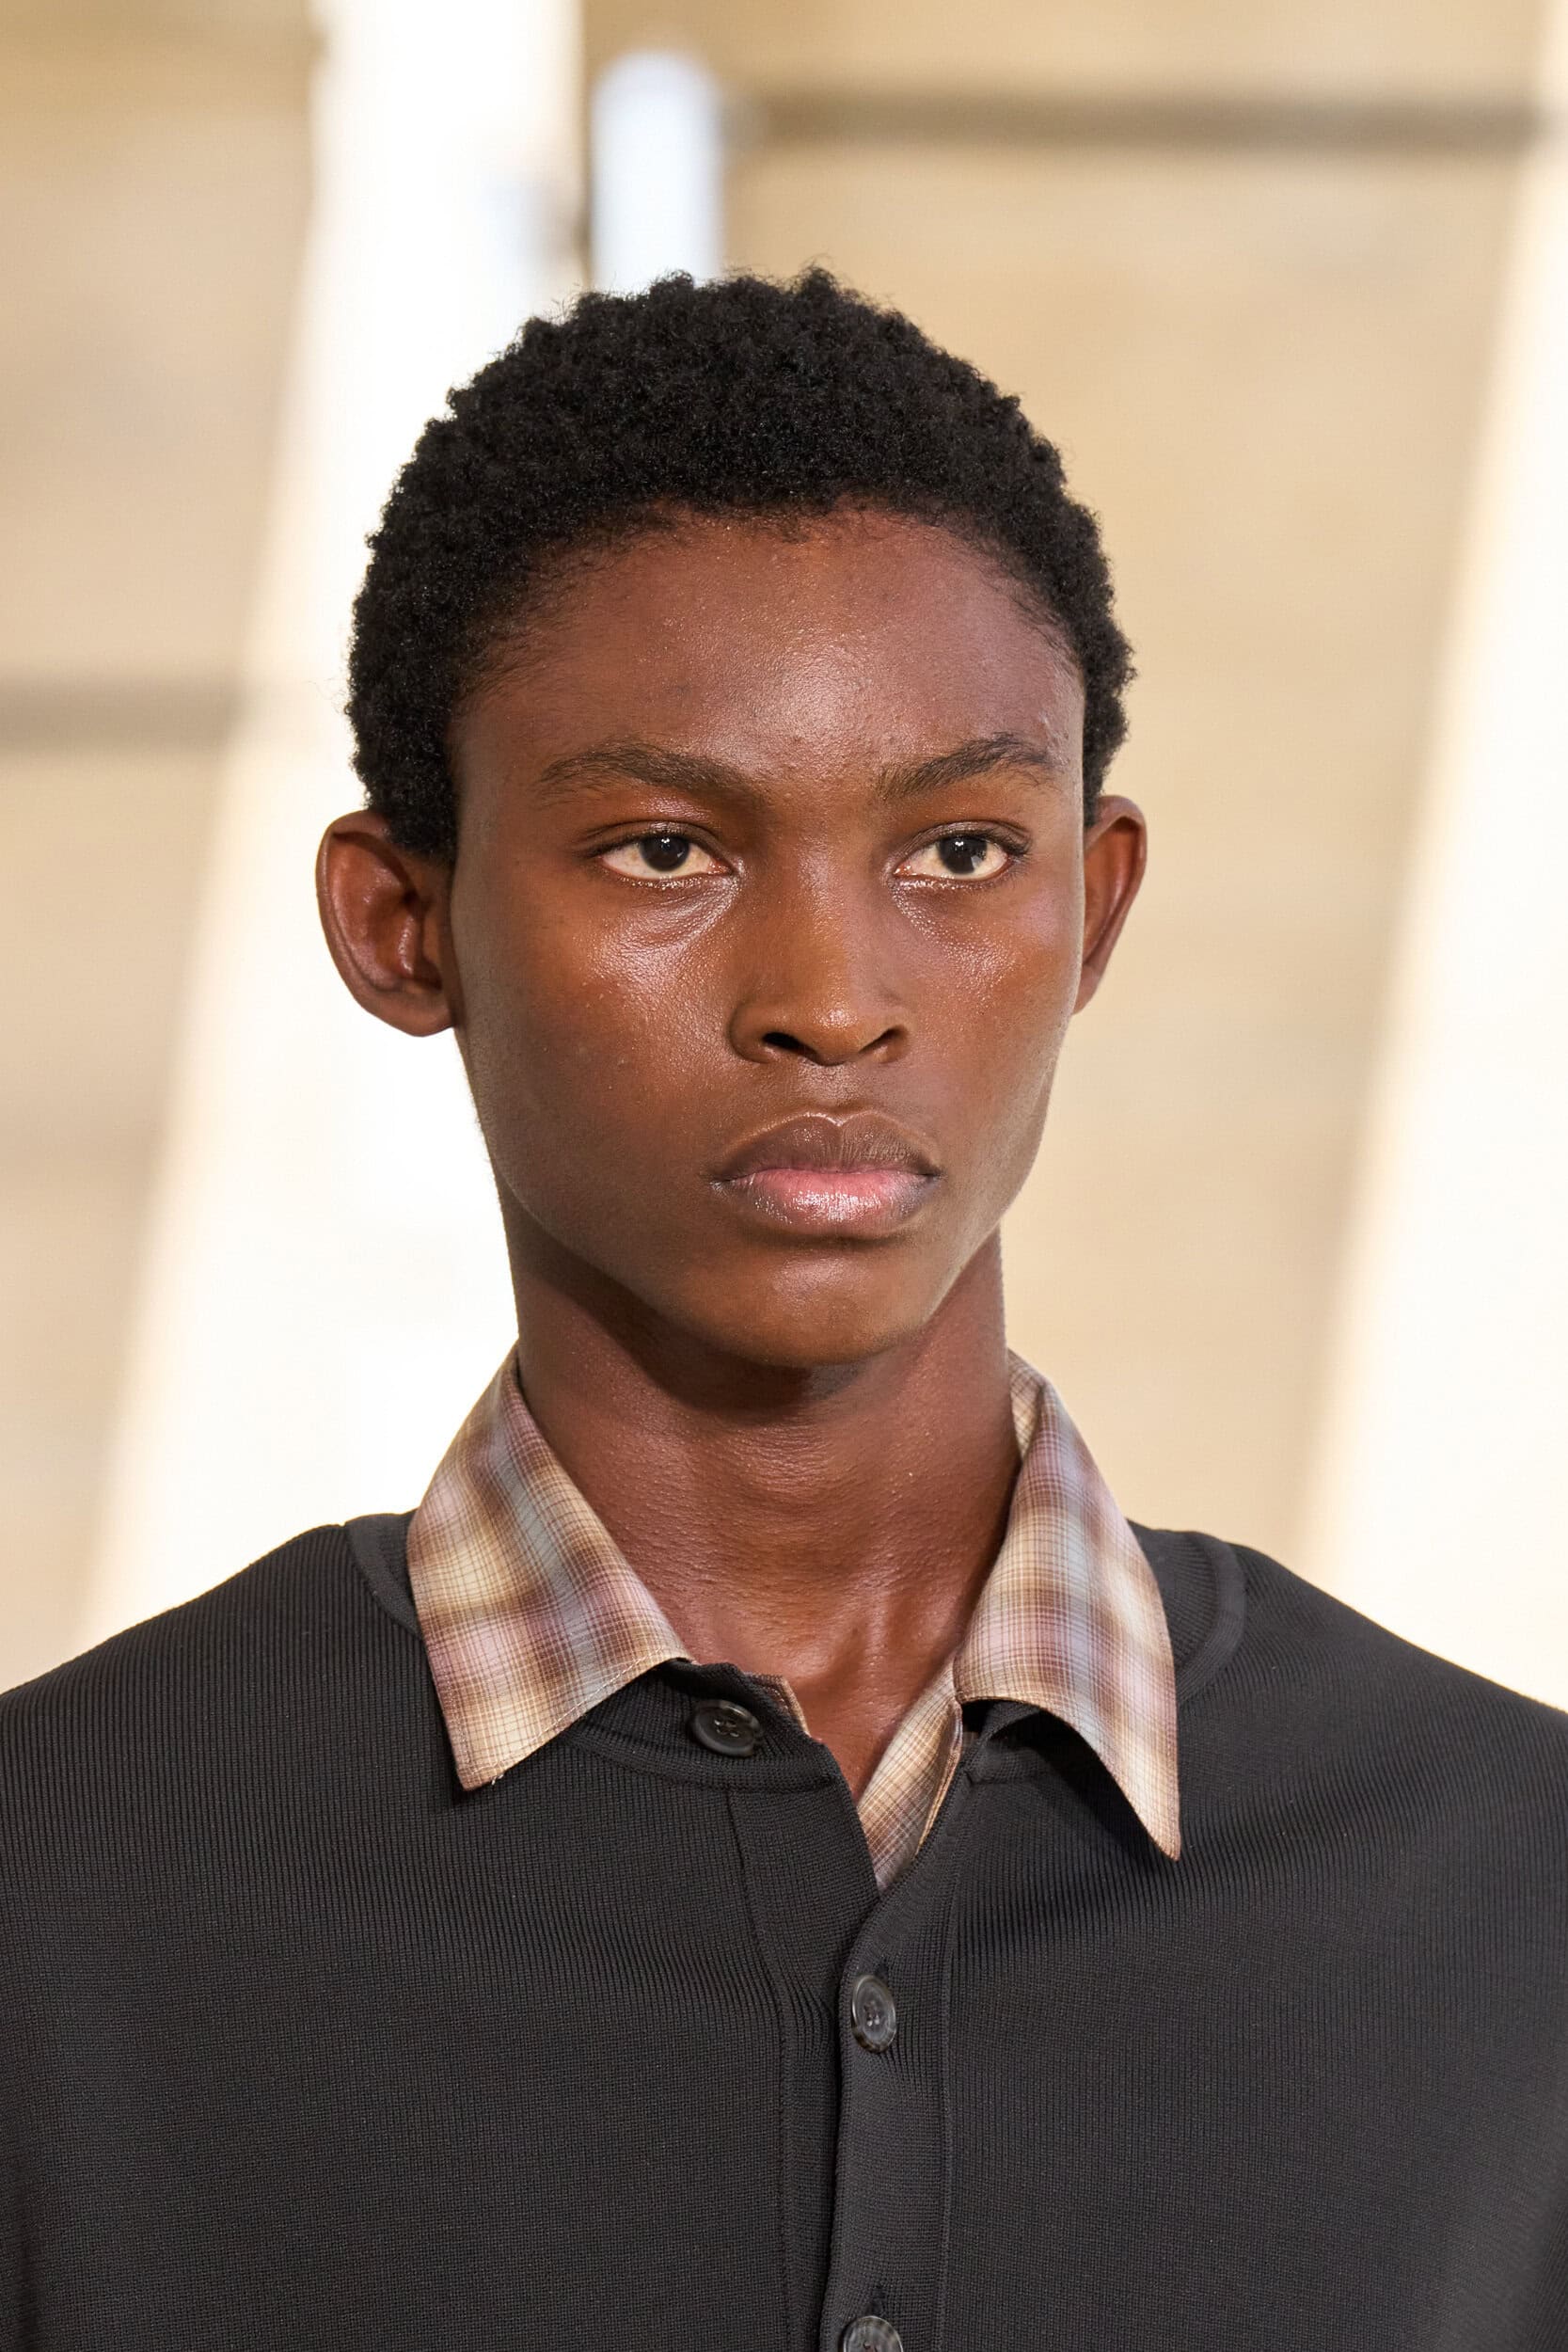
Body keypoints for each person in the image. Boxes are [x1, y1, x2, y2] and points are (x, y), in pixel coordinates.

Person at [2, 270, 1564, 2352]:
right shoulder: (59, 1892)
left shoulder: (1513, 1887)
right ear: (401, 923)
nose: (833, 999)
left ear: (1095, 908)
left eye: (960, 849)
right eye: (668, 848)